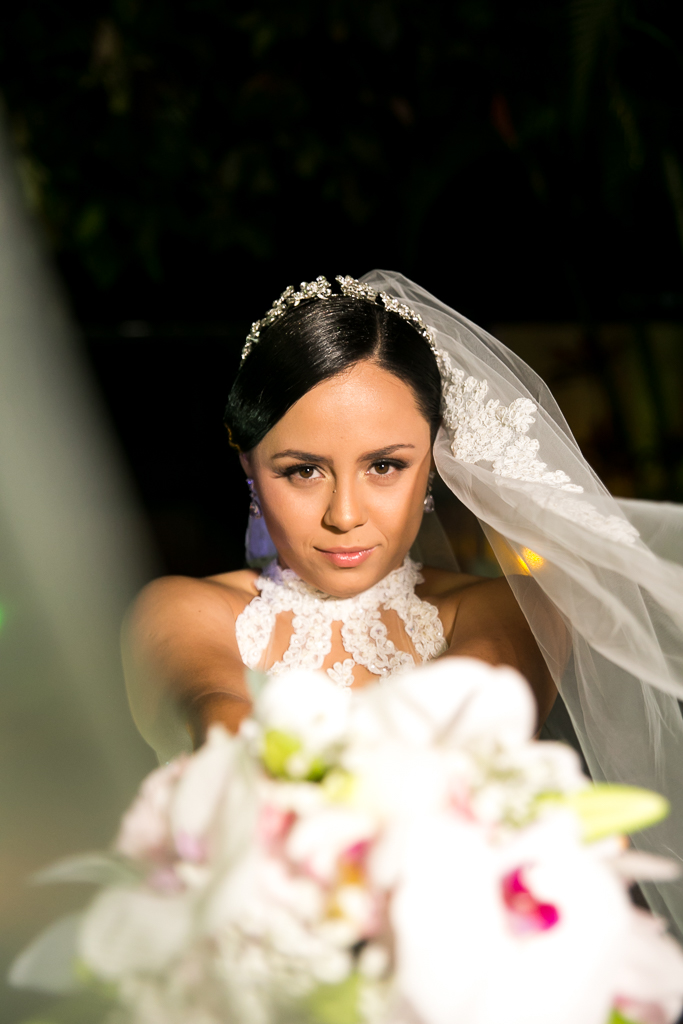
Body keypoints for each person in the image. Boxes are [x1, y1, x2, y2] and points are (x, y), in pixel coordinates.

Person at [123, 271, 683, 939]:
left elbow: (467, 730)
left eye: (384, 465)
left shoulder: (505, 610)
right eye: (302, 469)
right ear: (245, 457)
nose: (345, 515)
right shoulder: (181, 610)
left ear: (434, 458)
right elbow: (222, 722)